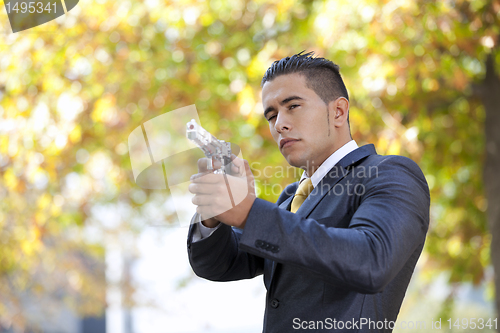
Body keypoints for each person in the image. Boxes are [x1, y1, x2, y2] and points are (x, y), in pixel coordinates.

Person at [187, 51, 430, 332]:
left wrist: (249, 212)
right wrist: (213, 212)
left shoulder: (391, 173)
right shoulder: (290, 199)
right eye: (271, 115)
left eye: (292, 106)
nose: (279, 124)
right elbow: (218, 265)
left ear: (338, 111)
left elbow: (372, 260)